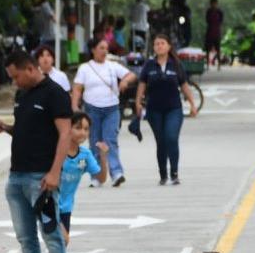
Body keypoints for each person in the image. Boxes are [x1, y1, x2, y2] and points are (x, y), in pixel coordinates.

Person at [0, 50, 75, 253]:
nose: (15, 82)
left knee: (51, 235)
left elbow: (65, 134)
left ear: (29, 69)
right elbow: (27, 129)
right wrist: (6, 128)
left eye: (16, 76)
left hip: (42, 178)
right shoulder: (22, 94)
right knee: (26, 238)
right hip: (17, 176)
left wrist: (55, 172)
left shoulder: (55, 93)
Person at [134, 34, 199, 185]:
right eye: (156, 44)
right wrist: (138, 102)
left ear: (169, 46)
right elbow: (142, 84)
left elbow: (184, 85)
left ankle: (174, 173)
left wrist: (192, 104)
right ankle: (163, 174)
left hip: (173, 109)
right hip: (154, 109)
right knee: (161, 141)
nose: (159, 46)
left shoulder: (176, 64)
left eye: (162, 43)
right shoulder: (149, 65)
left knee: (171, 138)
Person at [72, 39, 134, 187]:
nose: (104, 51)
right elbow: (77, 88)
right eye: (101, 48)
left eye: (106, 48)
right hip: (92, 109)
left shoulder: (113, 66)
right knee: (95, 142)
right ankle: (96, 175)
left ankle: (116, 173)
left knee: (110, 140)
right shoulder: (85, 68)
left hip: (111, 108)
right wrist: (74, 106)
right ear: (93, 50)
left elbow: (131, 74)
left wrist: (124, 81)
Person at [57, 114, 109, 241]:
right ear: (68, 128)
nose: (82, 133)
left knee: (62, 245)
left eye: (86, 129)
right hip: (49, 205)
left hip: (66, 207)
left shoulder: (85, 155)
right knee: (63, 240)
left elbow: (101, 178)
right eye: (78, 128)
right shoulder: (56, 149)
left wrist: (103, 156)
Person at [204, 0, 225, 66]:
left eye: (214, 3)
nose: (213, 5)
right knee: (208, 49)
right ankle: (207, 64)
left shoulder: (219, 12)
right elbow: (207, 20)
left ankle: (219, 64)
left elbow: (221, 21)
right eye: (212, 3)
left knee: (218, 49)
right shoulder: (209, 11)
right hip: (209, 32)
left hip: (217, 32)